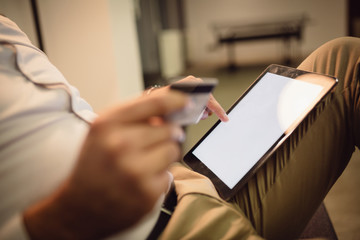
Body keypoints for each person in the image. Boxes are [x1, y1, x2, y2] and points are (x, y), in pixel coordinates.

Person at [0, 15, 359, 240]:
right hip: (164, 227)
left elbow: (73, 123)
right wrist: (61, 221)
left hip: (181, 181)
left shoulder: (7, 25)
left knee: (343, 58)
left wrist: (156, 104)